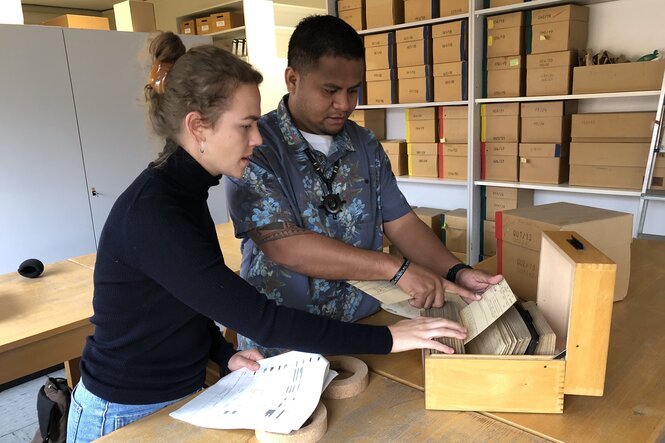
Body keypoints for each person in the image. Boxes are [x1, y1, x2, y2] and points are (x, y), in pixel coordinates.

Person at [66, 32, 468, 442]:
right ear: (197, 127)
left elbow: (184, 303)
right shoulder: (155, 211)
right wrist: (390, 337)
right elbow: (262, 319)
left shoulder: (183, 193)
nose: (257, 139)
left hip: (178, 396)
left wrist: (223, 354)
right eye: (246, 126)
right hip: (125, 412)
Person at [225, 15, 503, 357]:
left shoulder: (365, 144)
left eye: (353, 90)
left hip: (364, 324)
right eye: (330, 90)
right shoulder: (254, 146)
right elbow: (286, 247)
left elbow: (401, 222)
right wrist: (396, 269)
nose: (344, 104)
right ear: (292, 79)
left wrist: (456, 270)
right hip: (286, 336)